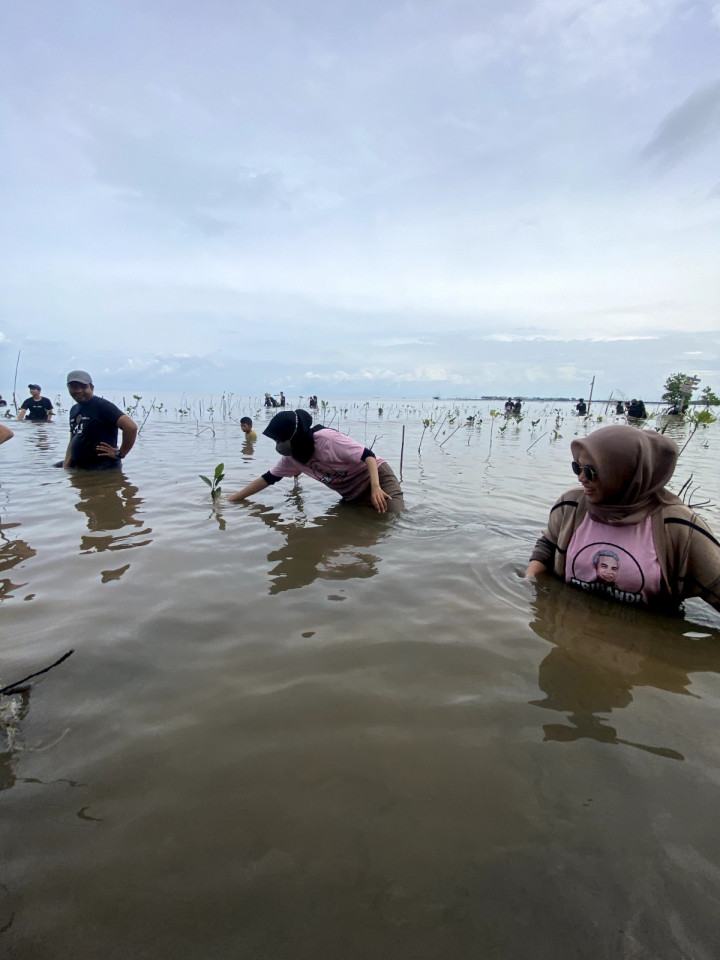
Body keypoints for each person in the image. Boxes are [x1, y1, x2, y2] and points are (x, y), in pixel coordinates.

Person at [524, 425, 720, 612]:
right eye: (578, 467)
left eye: (591, 472)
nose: (581, 478)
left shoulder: (679, 526)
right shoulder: (570, 505)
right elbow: (548, 545)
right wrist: (527, 584)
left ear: (626, 473)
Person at [227, 409, 404, 513]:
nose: (278, 445)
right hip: (352, 495)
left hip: (376, 478)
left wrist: (375, 487)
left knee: (395, 517)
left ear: (294, 437)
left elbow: (368, 455)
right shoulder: (291, 458)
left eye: (279, 440)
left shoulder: (327, 439)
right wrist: (232, 499)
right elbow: (267, 479)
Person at [61, 370, 137, 470]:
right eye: (74, 387)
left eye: (83, 387)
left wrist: (120, 453)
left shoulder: (101, 406)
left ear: (91, 388)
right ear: (68, 388)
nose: (78, 391)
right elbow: (73, 438)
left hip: (103, 470)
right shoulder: (74, 410)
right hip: (80, 469)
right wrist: (66, 466)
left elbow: (131, 427)